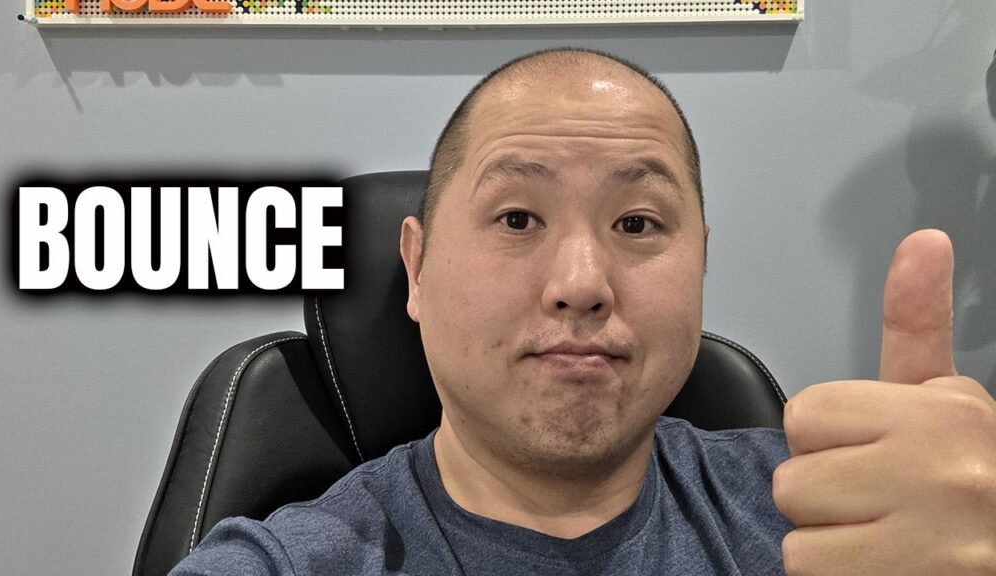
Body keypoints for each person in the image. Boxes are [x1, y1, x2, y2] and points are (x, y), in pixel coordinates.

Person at [171, 48, 996, 575]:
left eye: (636, 224)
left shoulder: (839, 517)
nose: (580, 283)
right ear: (416, 269)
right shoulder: (283, 564)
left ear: (701, 263)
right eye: (517, 219)